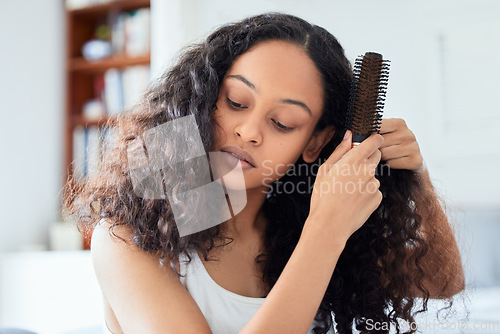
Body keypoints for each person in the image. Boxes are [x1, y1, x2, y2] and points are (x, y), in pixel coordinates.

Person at [63, 13, 465, 334]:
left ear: (313, 143)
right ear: (203, 100)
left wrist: (417, 177)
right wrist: (324, 233)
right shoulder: (127, 236)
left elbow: (442, 281)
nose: (249, 132)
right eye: (236, 102)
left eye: (283, 123)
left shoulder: (294, 226)